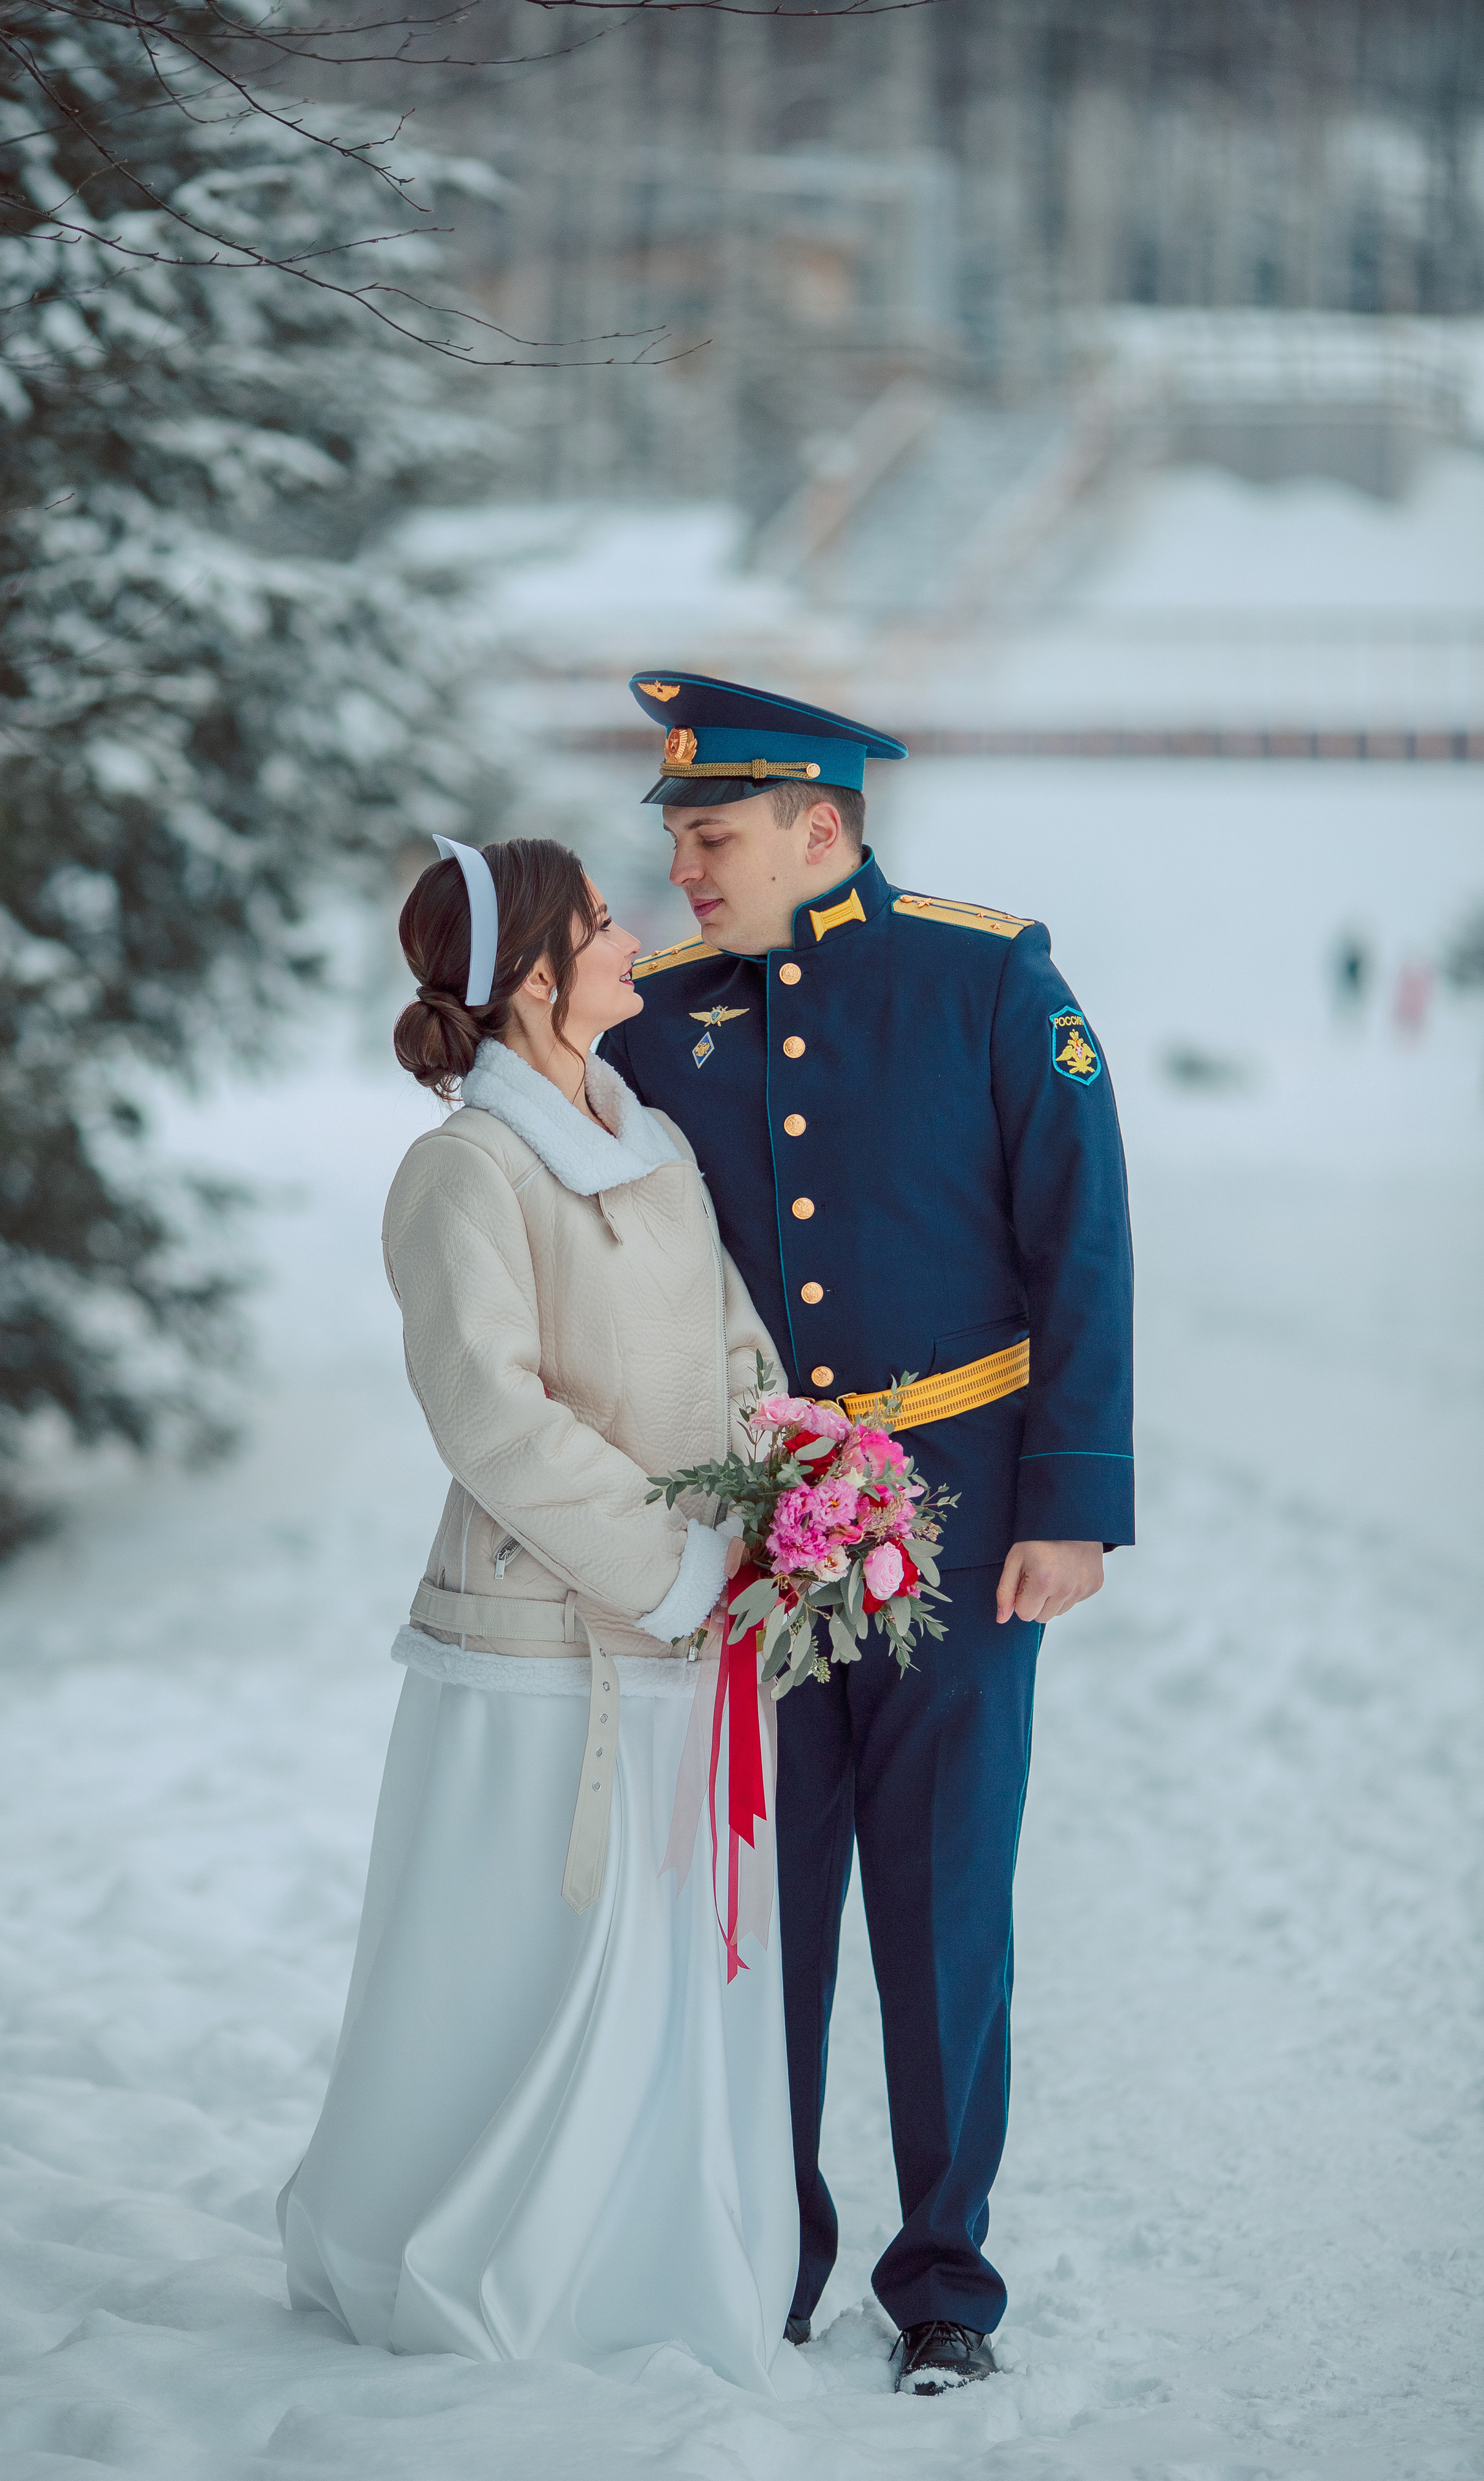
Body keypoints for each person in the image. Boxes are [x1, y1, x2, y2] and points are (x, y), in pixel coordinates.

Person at [598, 672, 1135, 2397]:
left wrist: (1074, 1509)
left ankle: (946, 2281)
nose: (688, 869)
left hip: (965, 1533)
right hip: (755, 1539)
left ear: (822, 828)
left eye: (717, 836)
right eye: (677, 838)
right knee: (765, 1905)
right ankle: (768, 2246)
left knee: (942, 1902)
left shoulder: (988, 978)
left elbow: (1086, 1249)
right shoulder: (656, 1027)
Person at [278, 834, 810, 2396]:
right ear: (528, 977)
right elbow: (487, 1415)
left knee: (668, 1977)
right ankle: (486, 2252)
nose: (629, 936)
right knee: (526, 1973)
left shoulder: (652, 1142)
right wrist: (673, 1562)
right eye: (595, 925)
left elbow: (740, 1356)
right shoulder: (462, 1169)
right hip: (540, 1655)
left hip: (697, 1626)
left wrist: (782, 1511)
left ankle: (658, 2253)